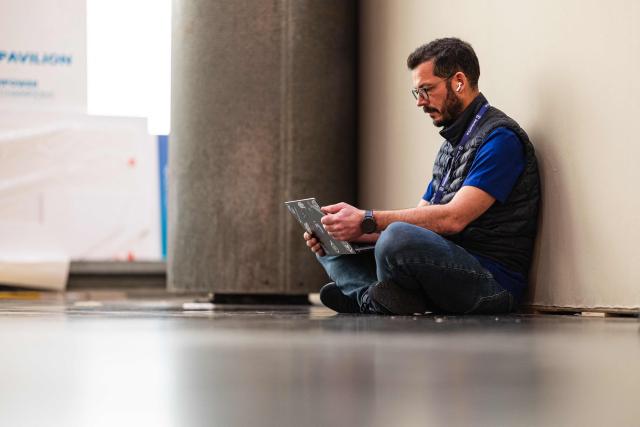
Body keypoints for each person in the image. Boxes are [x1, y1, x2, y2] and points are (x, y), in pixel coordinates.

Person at [303, 37, 540, 315]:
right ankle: (375, 297)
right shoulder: (450, 148)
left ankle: (363, 295)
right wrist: (351, 234)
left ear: (459, 82)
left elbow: (453, 218)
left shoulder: (500, 140)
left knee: (397, 238)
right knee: (335, 247)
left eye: (427, 90)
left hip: (490, 282)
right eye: (417, 93)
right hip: (446, 267)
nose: (421, 102)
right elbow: (423, 220)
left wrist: (367, 219)